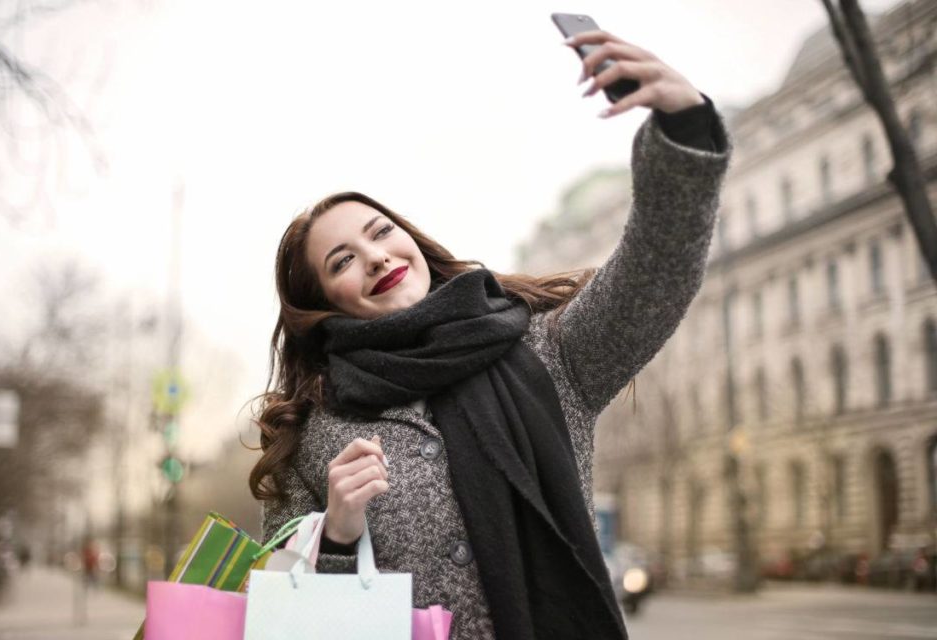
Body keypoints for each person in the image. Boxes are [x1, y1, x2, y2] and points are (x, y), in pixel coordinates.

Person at [250, 29, 730, 640]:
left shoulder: (544, 351)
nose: (374, 256)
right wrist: (339, 536)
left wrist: (684, 132)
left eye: (380, 232)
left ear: (411, 240)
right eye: (341, 261)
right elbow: (290, 621)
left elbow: (651, 278)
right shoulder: (312, 439)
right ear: (322, 305)